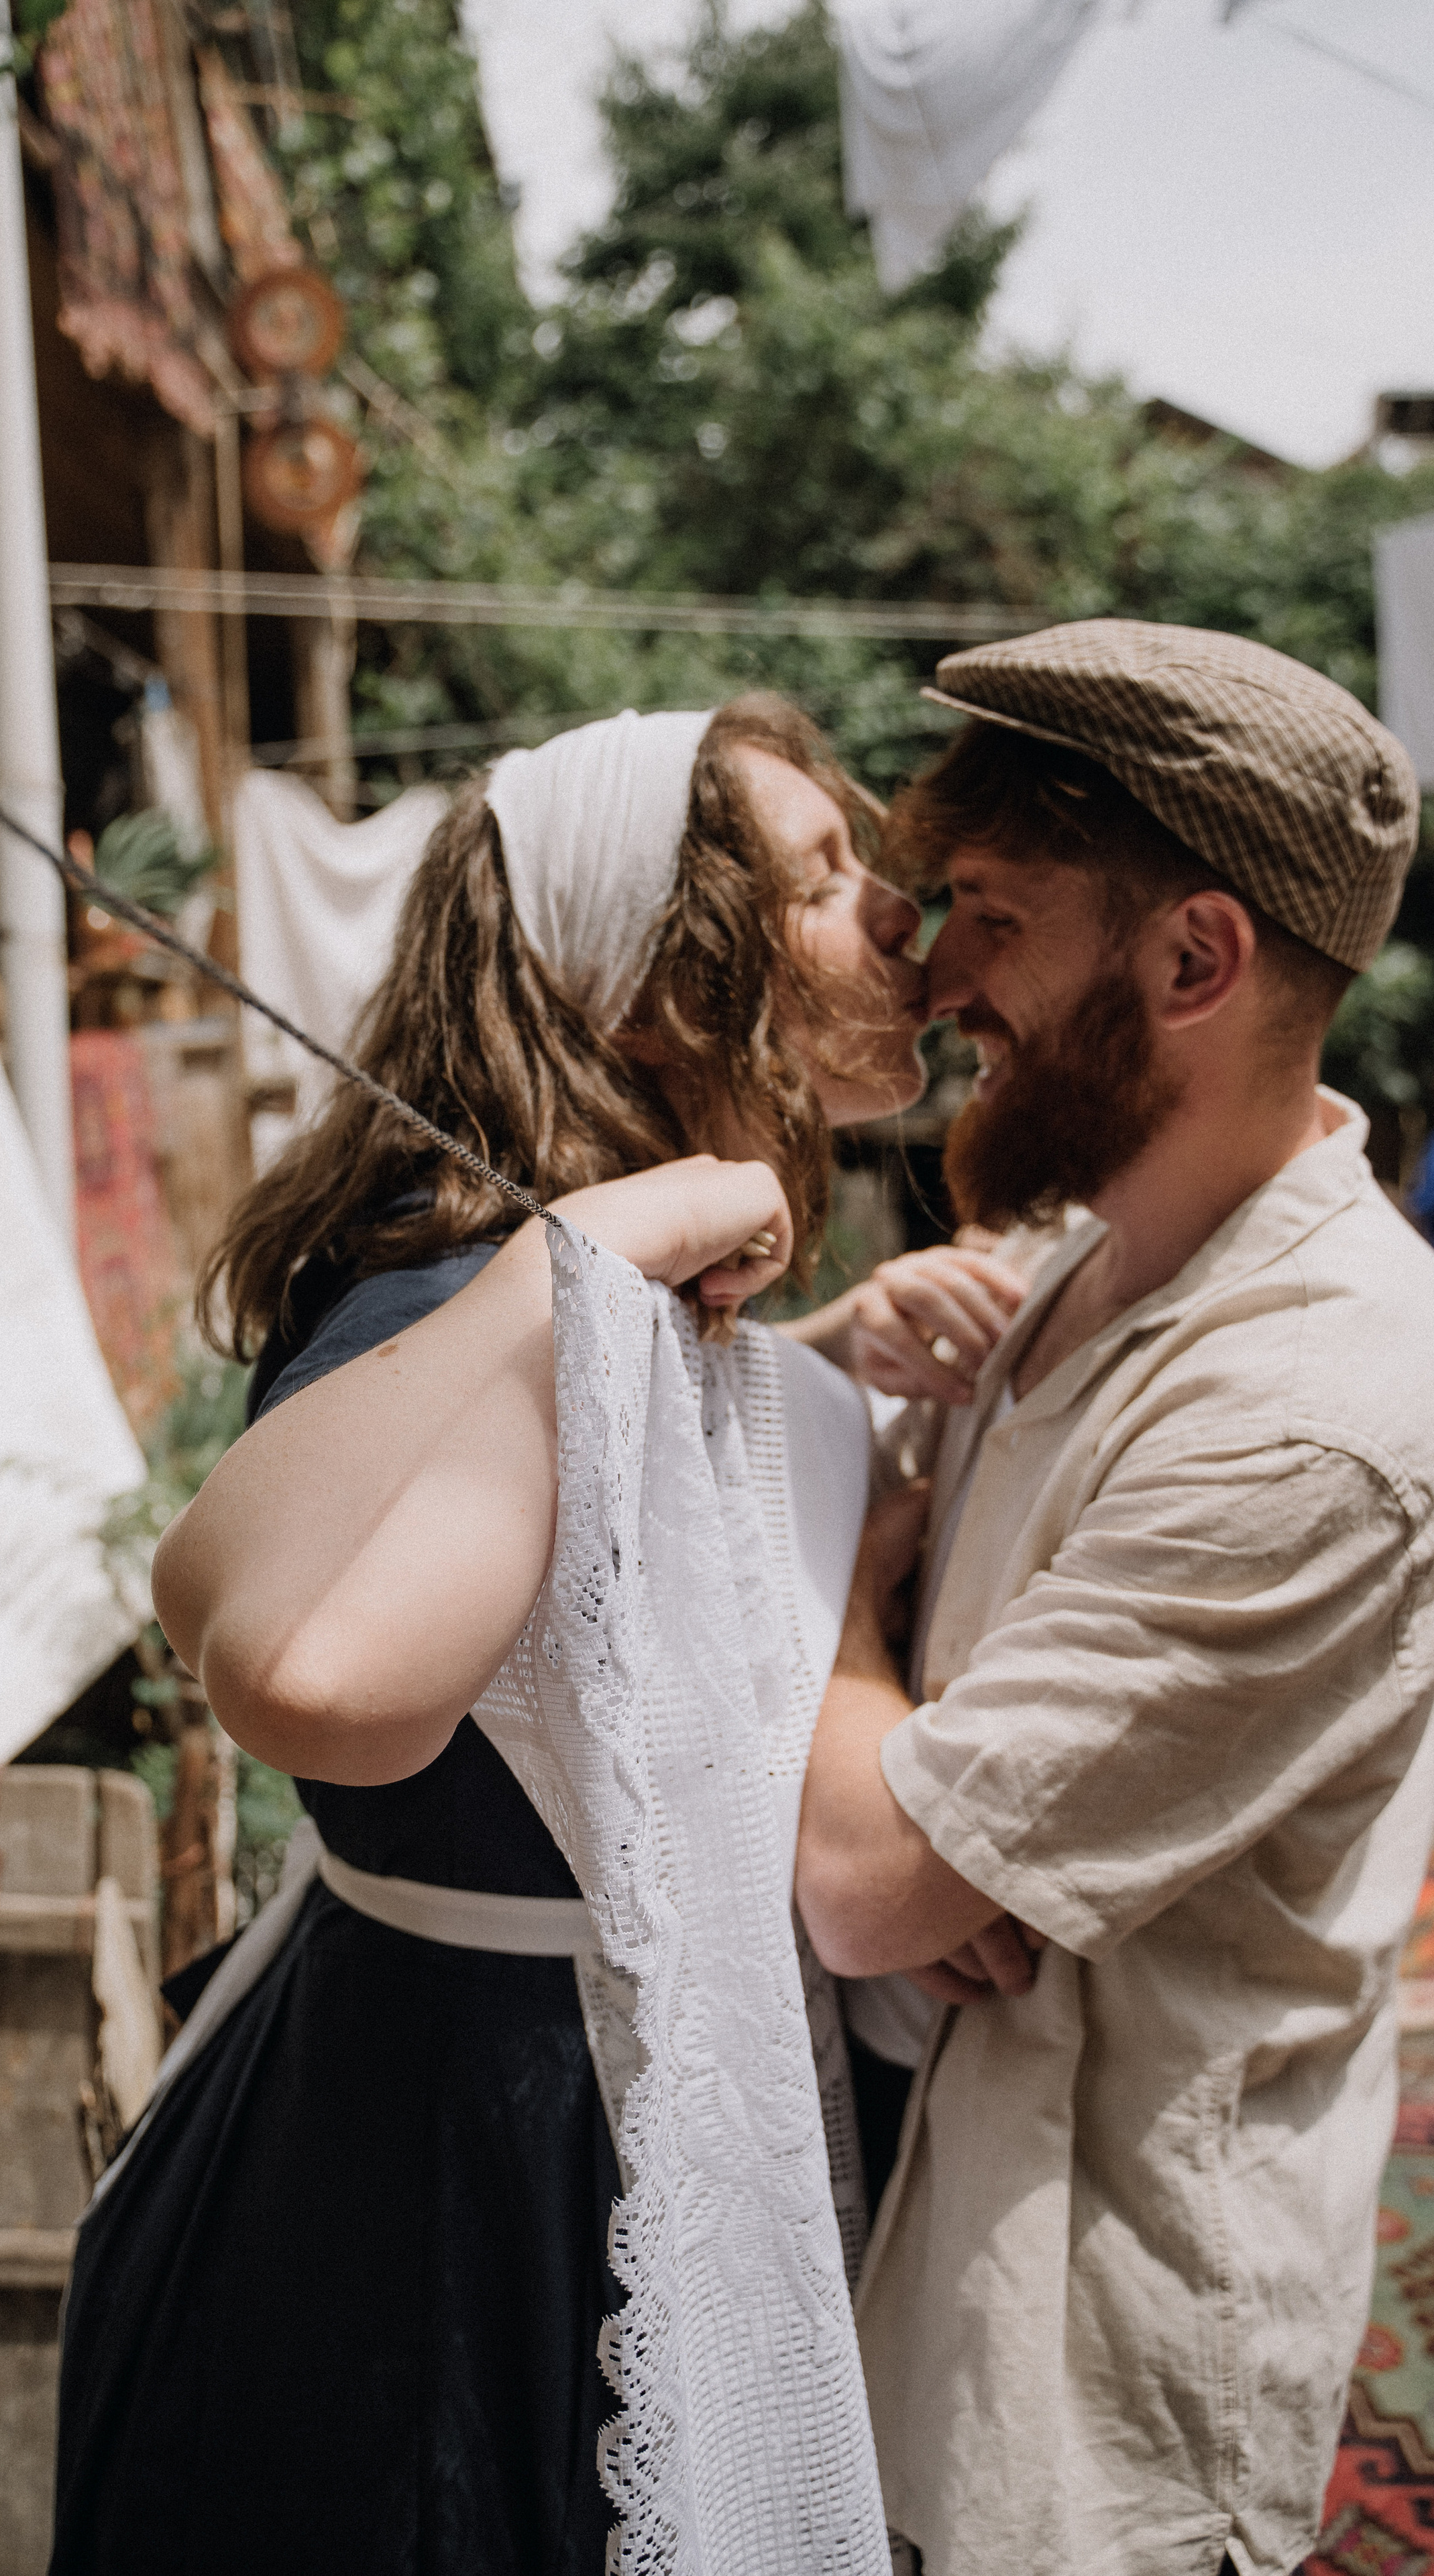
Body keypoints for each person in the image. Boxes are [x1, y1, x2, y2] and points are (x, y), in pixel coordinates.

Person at [51, 696, 968, 2576]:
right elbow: (315, 1685)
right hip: (460, 2216)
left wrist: (804, 1347)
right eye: (823, 877)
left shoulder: (640, 1303)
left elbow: (613, 1580)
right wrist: (607, 1245)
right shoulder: (490, 1289)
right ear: (655, 984)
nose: (900, 919)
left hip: (561, 2135)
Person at [791, 620, 1434, 2576]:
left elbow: (870, 1879)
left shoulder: (1320, 1411)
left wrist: (849, 1630)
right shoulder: (1078, 1260)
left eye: (988, 912)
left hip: (1078, 2396)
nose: (938, 972)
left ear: (1194, 960)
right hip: (935, 2256)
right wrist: (831, 1380)